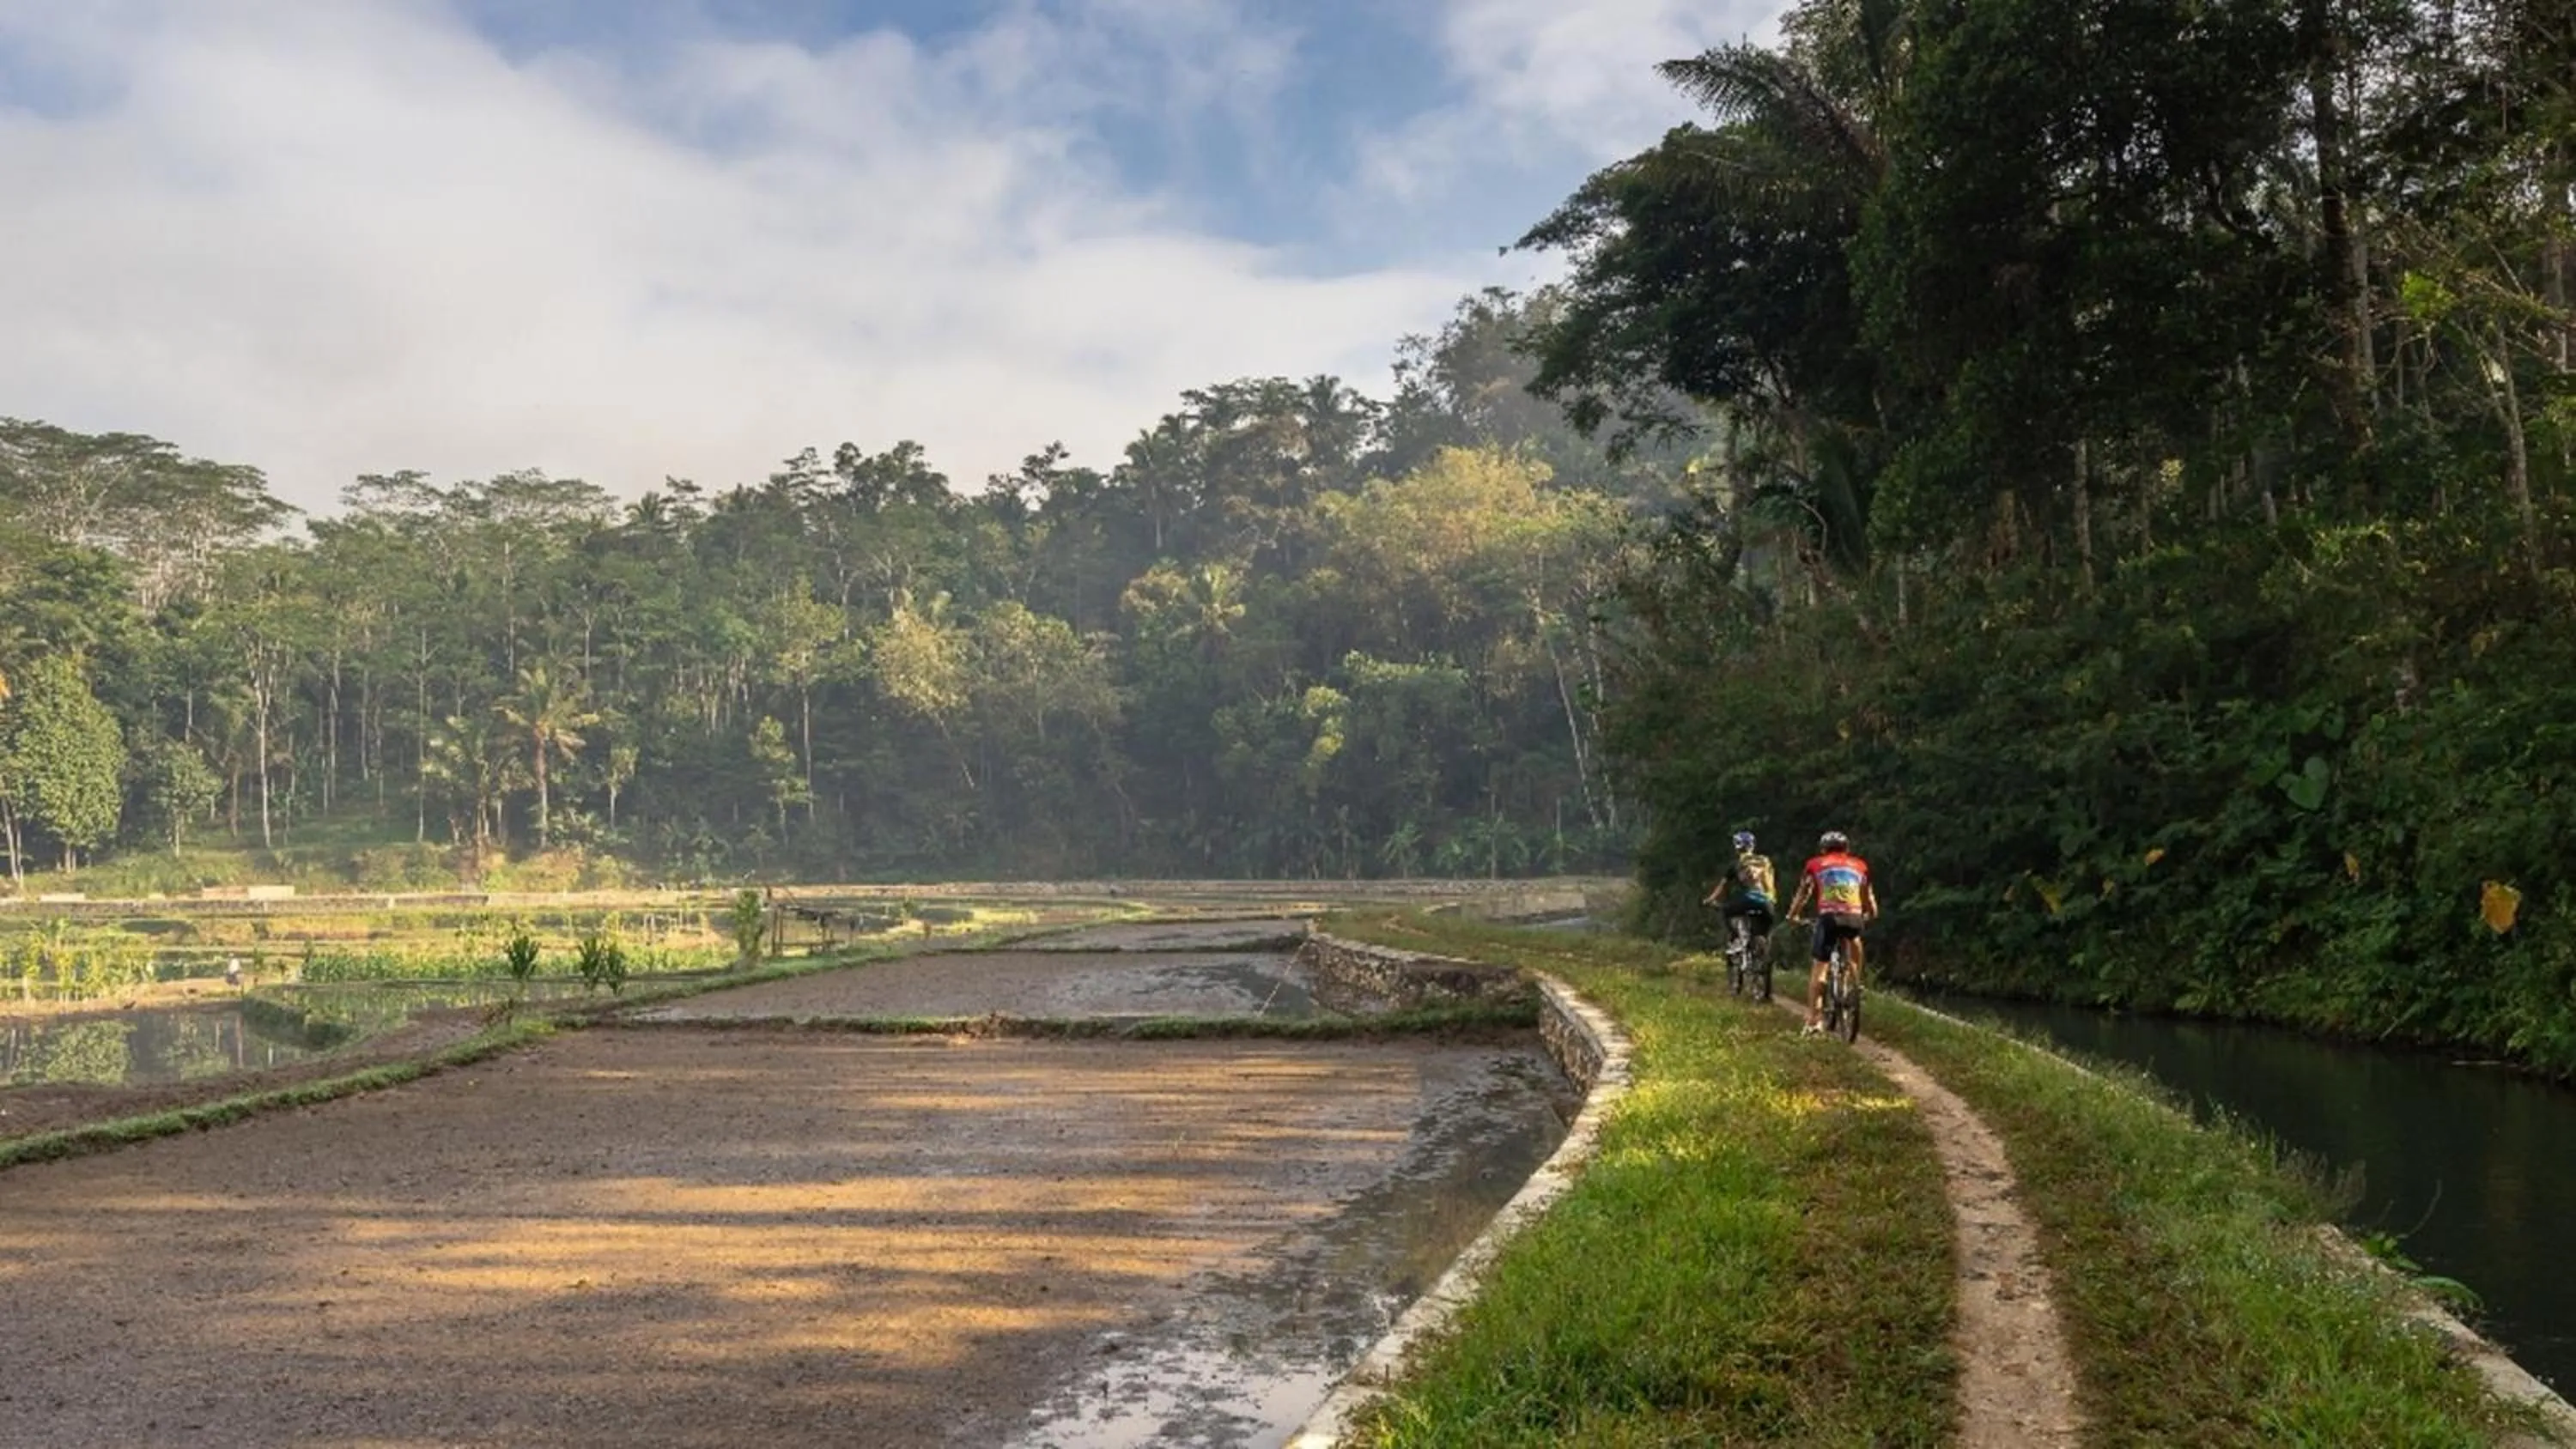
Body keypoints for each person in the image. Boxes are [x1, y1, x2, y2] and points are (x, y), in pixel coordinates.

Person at [1785, 830, 1878, 1035]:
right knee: (1855, 940)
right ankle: (1854, 983)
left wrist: (1792, 916)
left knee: (1820, 967)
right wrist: (1871, 913)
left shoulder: (1814, 864)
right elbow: (1867, 895)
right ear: (1847, 849)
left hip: (1828, 918)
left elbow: (1804, 893)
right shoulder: (1860, 865)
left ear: (1823, 849)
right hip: (1854, 917)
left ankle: (1814, 1020)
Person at [1703, 831, 1777, 963]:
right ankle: (1762, 950)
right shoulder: (1765, 861)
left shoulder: (1736, 864)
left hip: (1748, 899)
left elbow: (1722, 886)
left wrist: (1711, 900)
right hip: (1768, 902)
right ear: (1752, 846)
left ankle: (1736, 938)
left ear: (1737, 847)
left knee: (1726, 910)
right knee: (1763, 932)